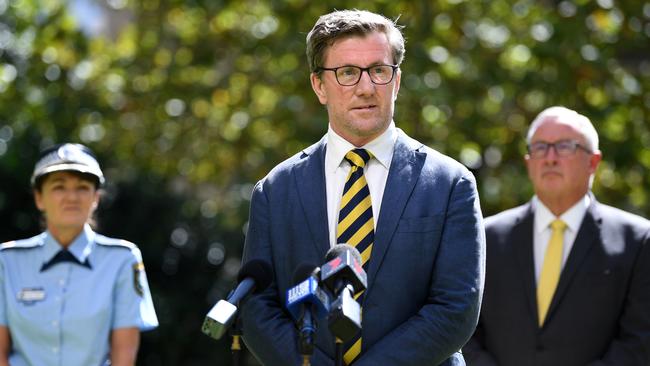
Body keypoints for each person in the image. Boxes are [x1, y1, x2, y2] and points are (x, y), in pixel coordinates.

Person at [239, 9, 485, 366]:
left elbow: (456, 308)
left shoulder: (450, 184)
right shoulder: (276, 190)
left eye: (379, 71)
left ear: (396, 82)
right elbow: (258, 308)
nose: (366, 87)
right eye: (348, 73)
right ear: (319, 86)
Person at [464, 106, 650, 365]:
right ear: (529, 162)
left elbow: (639, 343)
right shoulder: (485, 236)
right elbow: (463, 329)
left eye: (565, 146)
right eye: (540, 147)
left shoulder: (638, 241)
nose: (550, 158)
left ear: (593, 162)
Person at [0, 143, 159, 366]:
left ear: (96, 198)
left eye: (83, 187)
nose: (71, 197)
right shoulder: (7, 261)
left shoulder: (122, 259)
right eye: (59, 187)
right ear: (39, 198)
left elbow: (123, 354)